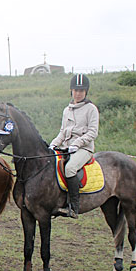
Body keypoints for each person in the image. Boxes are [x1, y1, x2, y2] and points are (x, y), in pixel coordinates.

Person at [49, 74, 100, 218]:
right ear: (71, 91)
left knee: (70, 168)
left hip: (84, 149)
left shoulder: (91, 109)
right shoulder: (67, 110)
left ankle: (73, 206)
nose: (78, 94)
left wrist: (77, 144)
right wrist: (53, 144)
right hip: (66, 147)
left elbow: (93, 132)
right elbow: (62, 132)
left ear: (86, 92)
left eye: (81, 91)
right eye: (76, 90)